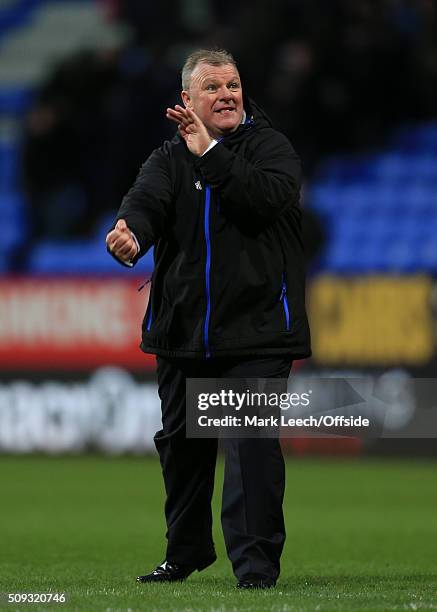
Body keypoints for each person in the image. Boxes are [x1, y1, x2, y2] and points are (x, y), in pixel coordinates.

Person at [106, 48, 311, 589]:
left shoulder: (271, 148)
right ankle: (186, 552)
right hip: (183, 330)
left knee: (251, 450)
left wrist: (213, 153)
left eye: (234, 85)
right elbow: (146, 202)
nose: (226, 94)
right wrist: (130, 230)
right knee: (183, 451)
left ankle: (256, 570)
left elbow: (263, 202)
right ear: (187, 100)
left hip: (257, 332)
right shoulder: (169, 157)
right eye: (214, 86)